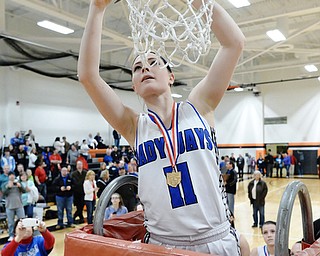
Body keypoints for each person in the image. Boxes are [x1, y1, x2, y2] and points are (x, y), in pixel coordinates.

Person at [78, 0, 244, 255]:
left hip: (215, 238)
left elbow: (234, 43)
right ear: (134, 86)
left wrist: (199, 3)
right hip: (162, 244)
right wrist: (97, 9)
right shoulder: (133, 125)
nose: (144, 67)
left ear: (171, 76)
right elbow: (88, 76)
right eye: (137, 67)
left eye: (153, 62)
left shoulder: (199, 105)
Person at [2, 171, 26, 241]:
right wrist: (8, 187)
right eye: (10, 175)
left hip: (19, 205)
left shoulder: (18, 182)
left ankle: (24, 234)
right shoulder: (5, 184)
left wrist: (20, 186)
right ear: (8, 176)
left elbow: (24, 191)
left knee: (22, 220)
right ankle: (11, 235)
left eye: (13, 175)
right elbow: (3, 193)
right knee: (11, 223)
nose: (12, 176)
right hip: (9, 206)